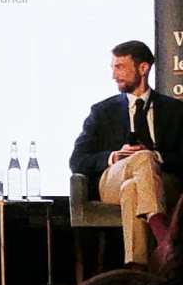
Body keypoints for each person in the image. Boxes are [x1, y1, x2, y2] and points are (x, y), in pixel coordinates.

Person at [71, 40, 183, 270]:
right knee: (141, 159)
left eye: (120, 67)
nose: (114, 75)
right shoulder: (102, 111)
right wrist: (114, 156)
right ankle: (163, 237)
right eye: (113, 68)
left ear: (143, 68)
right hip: (112, 180)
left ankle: (136, 268)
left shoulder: (175, 110)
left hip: (161, 181)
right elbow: (77, 160)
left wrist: (156, 156)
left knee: (132, 188)